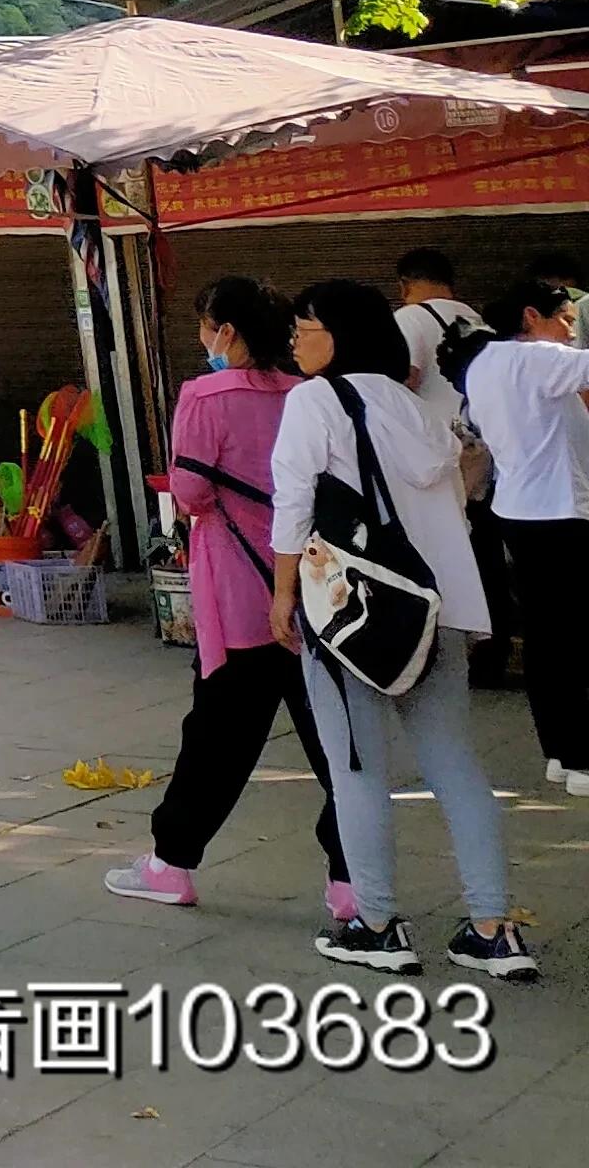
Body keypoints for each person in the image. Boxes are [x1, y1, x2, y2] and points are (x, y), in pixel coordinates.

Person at [272, 280, 533, 977]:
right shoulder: (419, 409)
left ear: (340, 334)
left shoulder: (314, 402)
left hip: (351, 617)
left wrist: (280, 593)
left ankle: (378, 923)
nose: (295, 341)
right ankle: (492, 926)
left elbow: (293, 504)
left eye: (305, 327)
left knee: (357, 767)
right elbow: (455, 501)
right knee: (455, 763)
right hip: (434, 611)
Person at [105, 280, 352, 918]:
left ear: (228, 332)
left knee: (218, 737)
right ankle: (351, 878)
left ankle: (172, 864)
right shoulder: (308, 394)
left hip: (240, 594)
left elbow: (188, 491)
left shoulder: (205, 394)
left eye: (206, 325)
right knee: (336, 743)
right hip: (316, 594)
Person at [461, 268, 589, 793]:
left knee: (545, 635)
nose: (572, 332)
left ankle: (560, 751)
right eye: (565, 320)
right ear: (531, 317)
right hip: (559, 512)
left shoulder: (484, 365)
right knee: (572, 636)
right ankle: (581, 756)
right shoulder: (539, 358)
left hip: (520, 509)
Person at [396, 245, 487, 447]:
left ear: (404, 285)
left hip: (434, 441)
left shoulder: (409, 317)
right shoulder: (474, 317)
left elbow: (407, 379)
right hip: (478, 440)